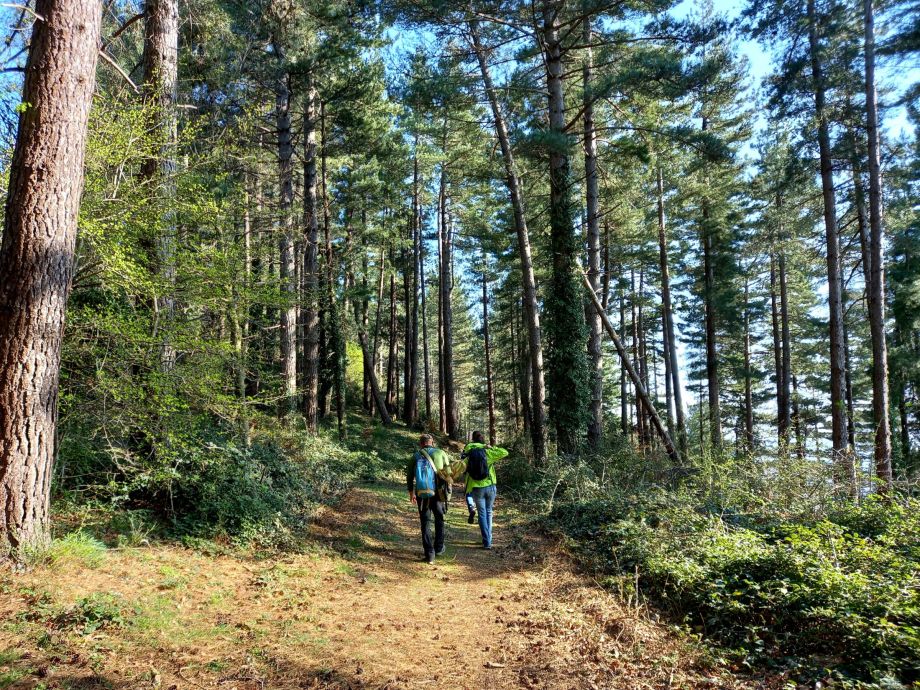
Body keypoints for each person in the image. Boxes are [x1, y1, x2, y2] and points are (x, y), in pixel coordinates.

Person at [406, 434, 453, 564]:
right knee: (439, 519)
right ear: (432, 443)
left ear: (421, 444)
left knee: (425, 522)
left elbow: (409, 476)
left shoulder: (415, 456)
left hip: (422, 494)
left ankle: (429, 554)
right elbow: (449, 473)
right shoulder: (440, 453)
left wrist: (412, 494)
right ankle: (438, 548)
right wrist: (448, 492)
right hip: (438, 494)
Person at [462, 431, 508, 550]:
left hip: (476, 488)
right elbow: (505, 452)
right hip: (490, 486)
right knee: (489, 512)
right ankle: (489, 539)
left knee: (482, 514)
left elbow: (461, 466)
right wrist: (490, 447)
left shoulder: (469, 453)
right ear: (482, 440)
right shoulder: (487, 452)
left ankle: (486, 542)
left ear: (472, 440)